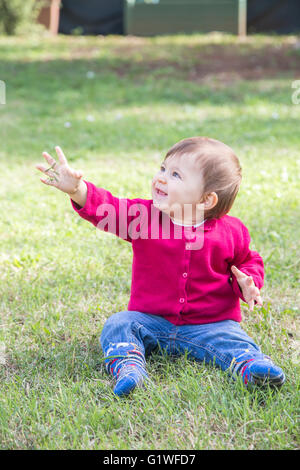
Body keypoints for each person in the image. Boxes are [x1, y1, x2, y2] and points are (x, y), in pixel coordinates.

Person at [35, 137, 285, 397]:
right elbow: (106, 208)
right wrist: (77, 189)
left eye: (176, 175)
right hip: (151, 321)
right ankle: (129, 367)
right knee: (119, 324)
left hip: (210, 324)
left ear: (207, 200)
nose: (161, 178)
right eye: (163, 168)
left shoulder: (232, 231)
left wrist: (249, 282)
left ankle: (252, 367)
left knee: (233, 338)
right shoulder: (143, 218)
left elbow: (247, 261)